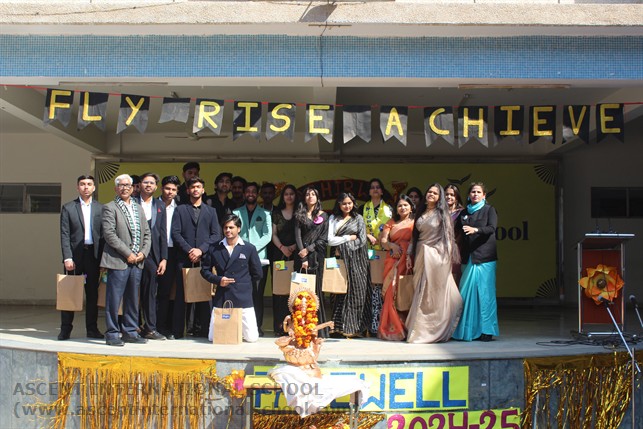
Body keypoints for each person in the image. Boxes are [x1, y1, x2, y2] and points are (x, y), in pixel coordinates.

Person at [405, 183, 462, 344]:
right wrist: (409, 254)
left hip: (435, 257)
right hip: (419, 255)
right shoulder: (420, 212)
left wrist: (441, 258)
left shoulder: (442, 214)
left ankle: (428, 331)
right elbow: (414, 237)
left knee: (430, 294)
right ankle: (416, 330)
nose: (431, 194)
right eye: (429, 191)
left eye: (435, 193)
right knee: (419, 291)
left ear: (439, 197)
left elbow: (448, 239)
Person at [100, 174, 151, 346]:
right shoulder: (110, 207)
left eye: (128, 185)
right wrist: (127, 253)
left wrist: (143, 253)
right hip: (118, 260)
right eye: (121, 185)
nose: (125, 188)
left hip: (137, 261)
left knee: (132, 298)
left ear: (133, 188)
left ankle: (130, 331)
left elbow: (147, 233)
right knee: (114, 299)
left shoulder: (138, 208)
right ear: (116, 188)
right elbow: (109, 235)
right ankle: (112, 333)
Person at [171, 177, 222, 339]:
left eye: (198, 187)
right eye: (192, 187)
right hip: (184, 257)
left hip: (204, 258)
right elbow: (175, 233)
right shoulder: (180, 210)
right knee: (181, 295)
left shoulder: (211, 211)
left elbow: (216, 234)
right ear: (188, 190)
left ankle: (205, 330)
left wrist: (201, 250)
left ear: (203, 190)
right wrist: (189, 250)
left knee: (205, 295)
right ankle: (178, 331)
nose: (195, 189)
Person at [201, 214, 263, 343]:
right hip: (222, 295)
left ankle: (237, 331)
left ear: (238, 229)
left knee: (252, 338)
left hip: (243, 296)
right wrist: (218, 280)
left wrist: (243, 283)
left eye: (231, 227)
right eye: (225, 227)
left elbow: (258, 273)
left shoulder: (249, 248)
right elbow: (204, 270)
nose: (228, 230)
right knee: (213, 338)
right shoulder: (214, 248)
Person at [58, 175, 104, 340]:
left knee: (92, 294)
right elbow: (64, 234)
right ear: (77, 187)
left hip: (93, 256)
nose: (86, 187)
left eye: (89, 184)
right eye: (82, 184)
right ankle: (65, 329)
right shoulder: (69, 207)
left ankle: (92, 329)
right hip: (75, 257)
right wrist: (67, 257)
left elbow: (104, 236)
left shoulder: (101, 208)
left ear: (94, 187)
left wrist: (103, 259)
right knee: (70, 292)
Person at [452, 182, 499, 342]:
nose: (475, 194)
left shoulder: (489, 210)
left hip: (485, 258)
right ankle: (467, 329)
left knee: (485, 295)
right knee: (465, 294)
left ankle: (487, 330)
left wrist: (476, 230)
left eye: (479, 192)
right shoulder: (464, 213)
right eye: (473, 192)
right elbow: (456, 232)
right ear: (468, 195)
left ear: (484, 195)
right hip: (468, 258)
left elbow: (492, 228)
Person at [328, 192, 372, 338]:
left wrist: (343, 247)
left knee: (357, 291)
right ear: (339, 204)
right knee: (338, 290)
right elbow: (330, 240)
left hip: (357, 260)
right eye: (344, 203)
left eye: (349, 203)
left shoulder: (358, 218)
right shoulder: (333, 219)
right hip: (338, 259)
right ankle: (337, 328)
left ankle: (354, 328)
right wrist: (347, 238)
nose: (347, 206)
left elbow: (362, 240)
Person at [233, 182, 272, 336]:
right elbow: (233, 233)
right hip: (240, 258)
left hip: (259, 259)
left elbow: (267, 235)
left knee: (257, 294)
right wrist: (245, 249)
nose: (250, 194)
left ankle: (257, 327)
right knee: (240, 293)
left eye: (253, 191)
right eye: (248, 191)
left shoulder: (266, 214)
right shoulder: (236, 212)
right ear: (244, 194)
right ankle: (240, 327)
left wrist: (252, 249)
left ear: (257, 194)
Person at [377, 194, 415, 341]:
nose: (402, 208)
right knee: (390, 291)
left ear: (411, 207)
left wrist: (408, 254)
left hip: (408, 260)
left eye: (405, 205)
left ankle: (406, 327)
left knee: (405, 290)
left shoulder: (415, 222)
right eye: (400, 205)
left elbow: (415, 240)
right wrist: (391, 245)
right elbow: (383, 240)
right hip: (392, 259)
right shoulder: (391, 222)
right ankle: (393, 328)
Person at [135, 173, 167, 340]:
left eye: (152, 183)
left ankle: (150, 328)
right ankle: (132, 327)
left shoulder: (159, 205)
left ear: (156, 187)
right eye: (145, 182)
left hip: (153, 256)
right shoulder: (131, 202)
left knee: (150, 293)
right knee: (132, 292)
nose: (148, 185)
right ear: (139, 184)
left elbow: (163, 233)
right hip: (133, 254)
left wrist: (164, 258)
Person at [358, 178, 392, 335]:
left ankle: (380, 324)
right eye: (372, 187)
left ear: (382, 191)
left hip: (383, 253)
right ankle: (367, 325)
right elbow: (357, 228)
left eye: (378, 187)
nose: (375, 189)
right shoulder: (362, 209)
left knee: (380, 288)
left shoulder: (389, 209)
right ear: (369, 191)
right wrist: (367, 236)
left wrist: (384, 239)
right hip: (366, 251)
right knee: (367, 287)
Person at [294, 187, 329, 338]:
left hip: (317, 257)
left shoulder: (324, 216)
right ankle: (301, 328)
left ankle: (319, 329)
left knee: (317, 292)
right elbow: (298, 236)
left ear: (317, 197)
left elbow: (324, 239)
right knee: (301, 293)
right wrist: (303, 257)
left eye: (313, 194)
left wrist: (308, 250)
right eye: (308, 194)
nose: (310, 196)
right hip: (301, 258)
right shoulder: (299, 215)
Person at [271, 184, 299, 336]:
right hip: (280, 254)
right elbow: (273, 234)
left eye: (291, 194)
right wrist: (282, 247)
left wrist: (294, 247)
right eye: (286, 194)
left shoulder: (300, 212)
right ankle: (280, 327)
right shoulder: (276, 213)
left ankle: (295, 327)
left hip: (296, 254)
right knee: (279, 290)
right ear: (283, 197)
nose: (289, 196)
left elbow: (303, 233)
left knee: (294, 290)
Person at [156, 175, 180, 339]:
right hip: (153, 252)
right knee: (152, 291)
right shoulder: (153, 204)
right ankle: (150, 325)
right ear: (161, 188)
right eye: (167, 188)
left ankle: (165, 326)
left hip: (173, 251)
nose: (170, 192)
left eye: (173, 189)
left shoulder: (179, 207)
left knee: (168, 291)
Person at [445, 184, 465, 285]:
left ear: (457, 197)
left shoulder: (462, 213)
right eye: (446, 194)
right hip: (439, 250)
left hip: (455, 251)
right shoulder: (438, 212)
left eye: (452, 195)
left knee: (454, 280)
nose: (449, 197)